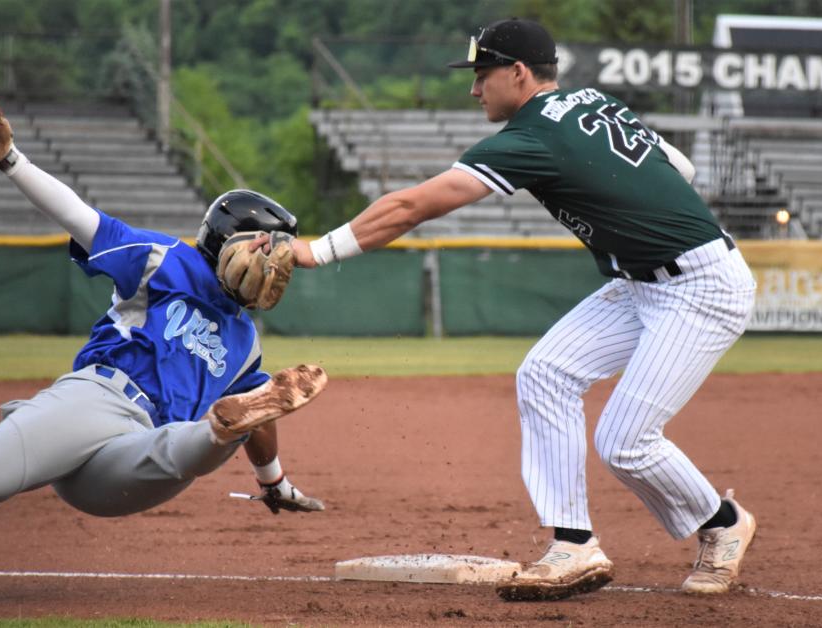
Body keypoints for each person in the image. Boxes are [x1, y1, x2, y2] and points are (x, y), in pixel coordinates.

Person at [285, 19, 758, 600]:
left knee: (624, 441)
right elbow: (680, 168)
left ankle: (723, 526)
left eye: (483, 74)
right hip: (641, 282)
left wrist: (315, 250)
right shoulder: (594, 102)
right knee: (546, 373)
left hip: (700, 287)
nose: (474, 89)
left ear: (518, 73)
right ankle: (573, 545)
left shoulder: (533, 136)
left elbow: (411, 207)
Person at [0, 88, 327, 529]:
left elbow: (262, 420)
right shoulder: (164, 259)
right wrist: (10, 160)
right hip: (96, 401)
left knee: (208, 434)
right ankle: (220, 428)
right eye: (268, 251)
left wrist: (274, 482)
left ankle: (219, 429)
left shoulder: (246, 341)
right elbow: (80, 216)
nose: (275, 269)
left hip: (140, 454)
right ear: (226, 238)